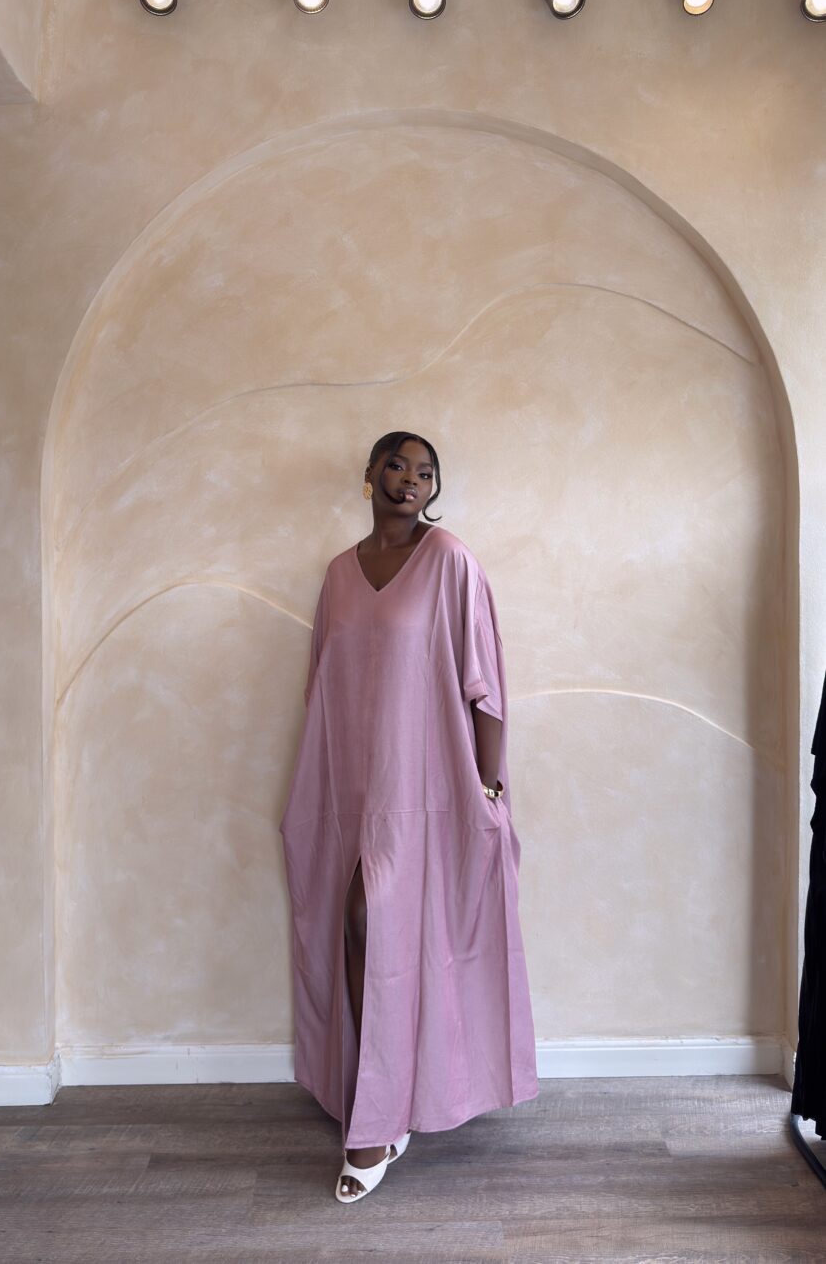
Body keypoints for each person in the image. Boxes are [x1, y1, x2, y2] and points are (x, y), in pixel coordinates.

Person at [279, 430, 539, 1202]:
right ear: (369, 475)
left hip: (429, 786)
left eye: (426, 471)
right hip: (348, 785)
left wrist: (488, 788)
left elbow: (484, 682)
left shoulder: (450, 561)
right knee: (351, 930)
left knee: (375, 919)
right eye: (397, 464)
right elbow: (324, 684)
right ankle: (381, 1103)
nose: (410, 479)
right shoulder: (337, 574)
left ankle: (378, 1122)